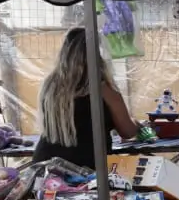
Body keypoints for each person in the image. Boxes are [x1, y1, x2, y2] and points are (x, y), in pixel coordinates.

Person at [32, 28, 138, 168]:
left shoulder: (50, 86)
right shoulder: (103, 89)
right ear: (97, 56)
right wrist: (137, 125)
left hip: (46, 166)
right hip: (86, 170)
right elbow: (128, 132)